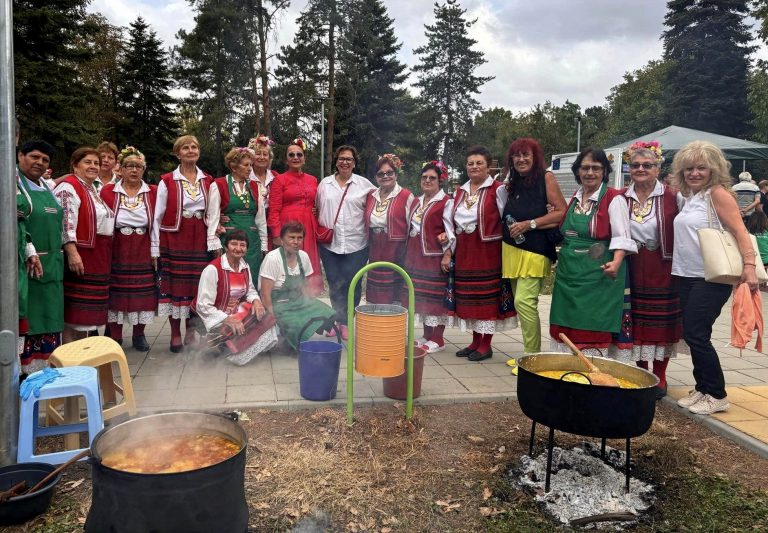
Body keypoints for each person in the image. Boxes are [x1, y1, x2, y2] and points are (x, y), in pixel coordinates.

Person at [672, 141, 759, 415]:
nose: (694, 173)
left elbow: (740, 231)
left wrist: (749, 266)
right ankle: (703, 388)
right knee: (693, 333)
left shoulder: (718, 194)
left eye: (701, 168)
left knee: (697, 334)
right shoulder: (690, 197)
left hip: (711, 277)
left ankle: (718, 394)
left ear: (713, 169)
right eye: (689, 169)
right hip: (686, 275)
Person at [610, 141, 681, 400]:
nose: (640, 169)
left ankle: (660, 375)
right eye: (635, 165)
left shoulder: (673, 195)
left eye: (647, 165)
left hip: (663, 266)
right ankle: (642, 372)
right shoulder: (620, 197)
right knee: (635, 319)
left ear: (657, 168)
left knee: (661, 322)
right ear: (628, 168)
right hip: (631, 264)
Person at [549, 147, 637, 354]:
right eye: (585, 168)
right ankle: (568, 371)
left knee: (591, 326)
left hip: (598, 273)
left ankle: (591, 370)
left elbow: (622, 237)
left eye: (596, 168)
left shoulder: (614, 199)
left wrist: (616, 263)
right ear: (577, 171)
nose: (590, 173)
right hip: (568, 273)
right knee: (565, 324)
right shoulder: (575, 197)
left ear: (604, 171)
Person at [496, 138, 567, 355]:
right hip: (511, 249)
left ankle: (532, 357)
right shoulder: (513, 182)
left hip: (535, 250)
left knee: (524, 302)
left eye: (526, 154)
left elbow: (561, 211)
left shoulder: (546, 177)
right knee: (520, 305)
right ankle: (529, 351)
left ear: (535, 157)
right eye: (517, 155)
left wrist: (530, 224)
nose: (521, 159)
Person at [451, 146, 517, 362]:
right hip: (465, 249)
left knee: (486, 297)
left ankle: (486, 344)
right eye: (470, 163)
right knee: (469, 297)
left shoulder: (498, 189)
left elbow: (507, 216)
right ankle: (475, 340)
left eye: (479, 163)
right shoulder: (460, 191)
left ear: (488, 166)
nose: (474, 167)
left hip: (487, 249)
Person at [151, 135, 214, 352]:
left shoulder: (208, 179)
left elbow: (214, 210)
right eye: (185, 148)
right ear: (178, 153)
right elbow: (157, 216)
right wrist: (154, 247)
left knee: (196, 286)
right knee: (175, 286)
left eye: (194, 147)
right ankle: (175, 333)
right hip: (175, 237)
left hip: (200, 238)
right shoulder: (167, 180)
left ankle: (191, 331)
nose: (190, 150)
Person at [54, 147, 116, 344]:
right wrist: (72, 253)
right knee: (74, 315)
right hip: (82, 254)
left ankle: (82, 357)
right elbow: (65, 222)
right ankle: (70, 359)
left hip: (97, 255)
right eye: (87, 162)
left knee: (87, 316)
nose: (93, 166)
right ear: (75, 165)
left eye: (96, 163)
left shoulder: (91, 188)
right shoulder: (69, 187)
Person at [100, 146, 157, 351]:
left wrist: (155, 250)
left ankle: (139, 335)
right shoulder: (108, 191)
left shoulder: (153, 191)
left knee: (142, 292)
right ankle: (115, 336)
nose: (134, 170)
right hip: (118, 246)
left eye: (138, 167)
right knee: (117, 291)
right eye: (129, 166)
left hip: (143, 244)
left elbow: (158, 221)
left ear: (143, 170)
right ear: (121, 169)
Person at [192, 230, 278, 365]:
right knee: (238, 325)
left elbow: (250, 290)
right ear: (226, 246)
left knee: (264, 313)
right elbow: (202, 305)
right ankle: (219, 345)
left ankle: (238, 347)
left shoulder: (244, 266)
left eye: (242, 245)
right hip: (215, 315)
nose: (238, 248)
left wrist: (256, 301)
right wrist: (227, 319)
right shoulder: (213, 269)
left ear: (247, 248)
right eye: (234, 244)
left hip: (234, 311)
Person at [316, 145, 375, 339]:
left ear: (354, 163)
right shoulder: (325, 184)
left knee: (353, 284)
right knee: (334, 283)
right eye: (341, 158)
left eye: (349, 159)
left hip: (356, 244)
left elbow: (381, 203)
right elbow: (316, 208)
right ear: (336, 161)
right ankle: (337, 320)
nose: (345, 162)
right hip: (330, 244)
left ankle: (347, 322)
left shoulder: (365, 185)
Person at [16, 140, 64, 374]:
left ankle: (45, 372)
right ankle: (23, 376)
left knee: (50, 318)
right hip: (27, 266)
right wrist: (28, 249)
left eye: (45, 160)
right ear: (20, 155)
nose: (40, 163)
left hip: (52, 265)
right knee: (29, 319)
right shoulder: (13, 184)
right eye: (35, 157)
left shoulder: (47, 186)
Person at [403, 161, 454, 353]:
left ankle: (438, 339)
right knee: (420, 297)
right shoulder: (417, 201)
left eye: (432, 178)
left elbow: (450, 229)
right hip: (415, 256)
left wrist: (447, 254)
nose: (427, 181)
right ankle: (426, 335)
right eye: (424, 177)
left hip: (434, 256)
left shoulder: (445, 202)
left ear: (440, 181)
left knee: (435, 298)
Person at [260, 222, 336, 350]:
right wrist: (271, 314)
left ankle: (298, 338)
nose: (296, 242)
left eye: (299, 238)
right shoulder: (272, 258)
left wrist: (310, 304)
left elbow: (305, 286)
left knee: (327, 312)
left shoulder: (304, 256)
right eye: (292, 237)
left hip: (298, 301)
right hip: (279, 304)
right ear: (282, 240)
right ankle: (290, 343)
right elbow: (265, 292)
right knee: (296, 323)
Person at [267, 139, 323, 295]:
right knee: (289, 265)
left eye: (299, 154)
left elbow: (318, 203)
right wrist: (277, 235)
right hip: (288, 227)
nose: (295, 157)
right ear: (286, 159)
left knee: (308, 263)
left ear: (304, 158)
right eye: (291, 155)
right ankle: (288, 303)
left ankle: (308, 301)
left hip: (308, 229)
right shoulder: (279, 180)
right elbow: (274, 209)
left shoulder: (313, 180)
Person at [207, 147, 268, 275]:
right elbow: (213, 217)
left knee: (252, 275)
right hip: (229, 239)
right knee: (230, 275)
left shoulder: (255, 186)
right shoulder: (219, 184)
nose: (250, 168)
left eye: (251, 165)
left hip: (252, 241)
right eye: (246, 165)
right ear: (234, 167)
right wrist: (214, 243)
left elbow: (261, 219)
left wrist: (264, 244)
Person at [364, 154, 414, 306]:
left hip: (396, 252)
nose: (385, 176)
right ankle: (376, 326)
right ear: (376, 177)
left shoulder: (406, 196)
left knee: (394, 296)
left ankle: (392, 327)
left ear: (396, 174)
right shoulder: (370, 196)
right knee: (375, 296)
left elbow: (415, 225)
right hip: (375, 249)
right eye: (380, 174)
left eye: (389, 173)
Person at [248, 134, 278, 247]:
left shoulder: (276, 177)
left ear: (269, 158)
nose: (261, 157)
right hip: (251, 223)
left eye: (265, 154)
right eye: (257, 153)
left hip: (270, 226)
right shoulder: (245, 177)